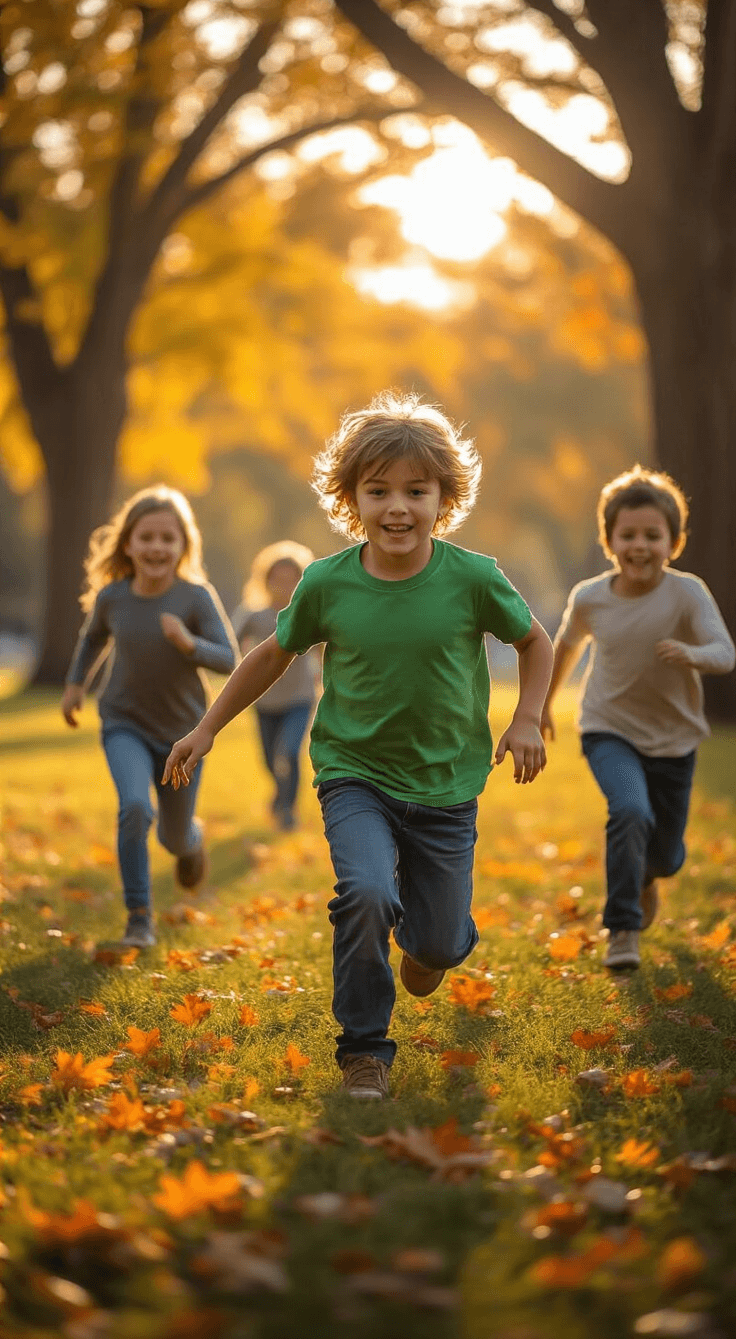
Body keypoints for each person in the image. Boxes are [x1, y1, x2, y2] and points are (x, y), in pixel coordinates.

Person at [163, 392, 553, 1101]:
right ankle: (365, 1051)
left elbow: (534, 640)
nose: (397, 507)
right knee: (367, 893)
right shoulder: (327, 583)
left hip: (446, 785)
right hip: (355, 775)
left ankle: (433, 943)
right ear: (351, 499)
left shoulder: (473, 578)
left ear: (445, 497)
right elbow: (268, 656)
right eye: (378, 491)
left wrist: (527, 717)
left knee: (436, 945)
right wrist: (206, 727)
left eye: (415, 490)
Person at [541, 465, 735, 972]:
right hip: (609, 729)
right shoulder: (591, 598)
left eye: (653, 535)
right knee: (629, 811)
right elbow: (566, 645)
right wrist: (542, 704)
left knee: (667, 857)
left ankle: (646, 875)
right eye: (628, 535)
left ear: (673, 540)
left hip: (674, 740)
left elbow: (724, 652)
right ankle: (622, 930)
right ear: (610, 541)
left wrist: (693, 654)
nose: (640, 546)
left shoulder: (687, 593)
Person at [61, 485, 238, 948]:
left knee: (173, 838)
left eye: (168, 538)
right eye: (147, 537)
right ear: (128, 544)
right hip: (124, 722)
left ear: (183, 546)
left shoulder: (196, 597)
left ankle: (191, 841)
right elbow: (92, 639)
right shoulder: (113, 597)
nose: (157, 547)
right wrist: (76, 685)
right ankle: (139, 917)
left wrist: (188, 644)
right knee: (135, 808)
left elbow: (229, 658)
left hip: (183, 735)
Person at [231, 542, 318, 831]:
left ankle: (287, 810)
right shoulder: (254, 615)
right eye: (277, 579)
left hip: (300, 697)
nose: (284, 585)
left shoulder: (308, 612)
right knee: (270, 758)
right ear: (265, 580)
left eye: (291, 579)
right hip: (264, 699)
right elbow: (230, 642)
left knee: (290, 752)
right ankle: (280, 793)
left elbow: (325, 648)